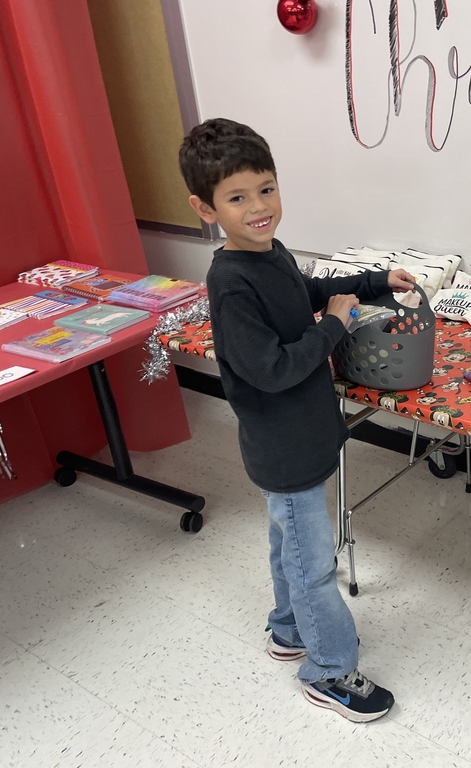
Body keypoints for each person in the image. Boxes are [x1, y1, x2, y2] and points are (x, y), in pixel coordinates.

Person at [178, 118, 416, 722]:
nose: (259, 207)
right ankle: (329, 671)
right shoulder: (230, 285)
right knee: (315, 568)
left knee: (289, 544)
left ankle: (287, 631)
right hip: (283, 448)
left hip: (303, 438)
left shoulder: (268, 251)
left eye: (267, 188)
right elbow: (275, 370)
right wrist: (333, 326)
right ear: (205, 209)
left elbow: (307, 291)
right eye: (238, 198)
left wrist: (372, 282)